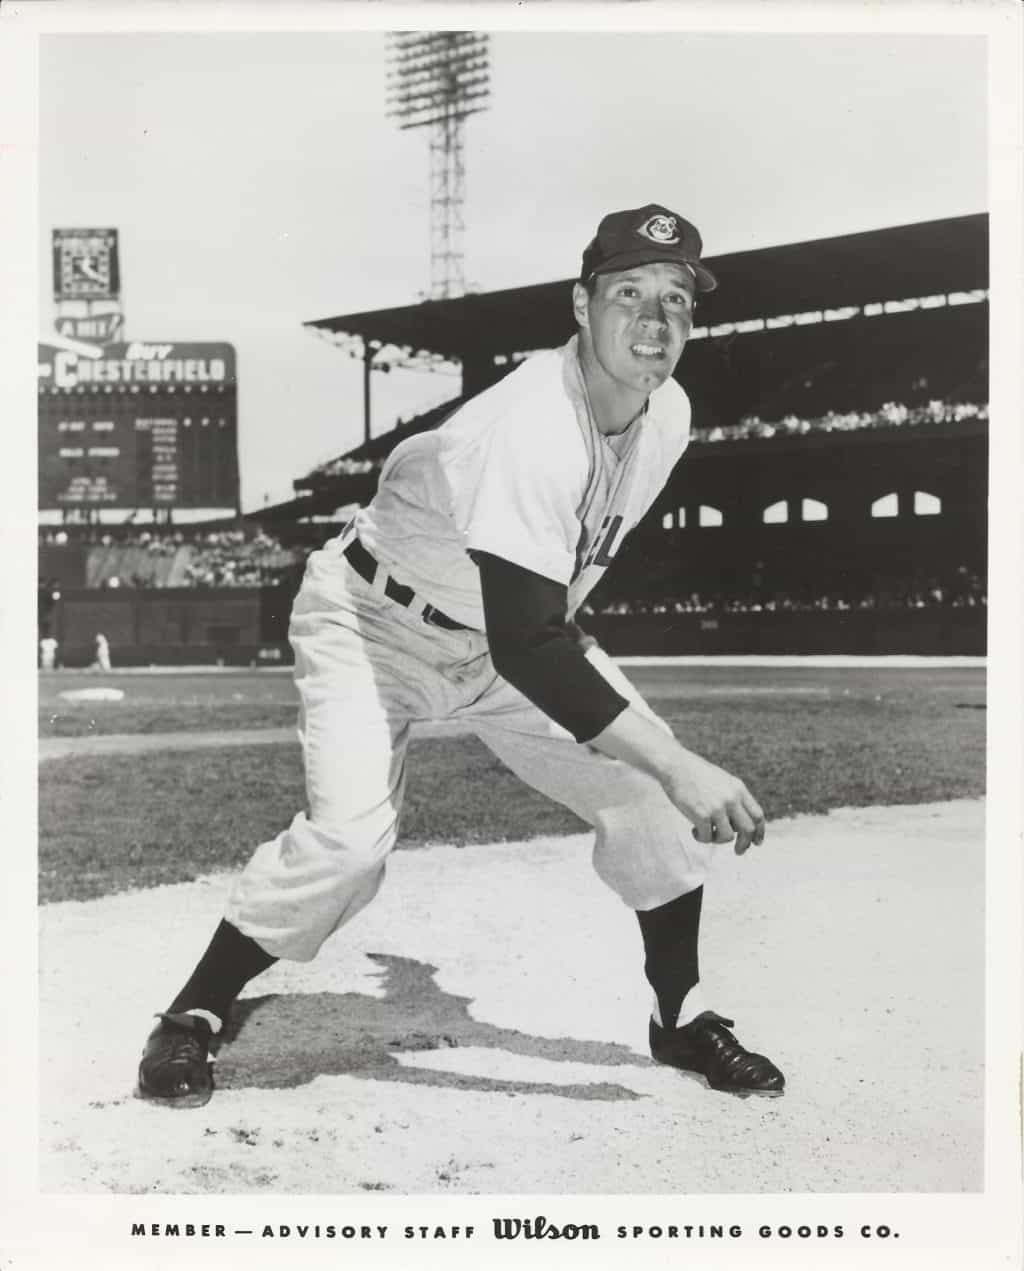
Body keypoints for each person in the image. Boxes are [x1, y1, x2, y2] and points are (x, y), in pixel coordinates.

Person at [137, 203, 784, 1108]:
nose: (652, 319)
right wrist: (678, 760)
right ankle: (193, 1013)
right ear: (580, 305)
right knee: (351, 846)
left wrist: (648, 751)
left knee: (642, 794)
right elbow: (530, 644)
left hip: (499, 636)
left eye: (675, 299)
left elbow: (547, 599)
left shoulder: (666, 413)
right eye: (627, 293)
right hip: (375, 622)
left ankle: (682, 1016)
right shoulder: (529, 422)